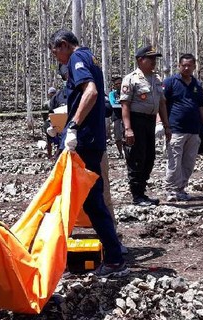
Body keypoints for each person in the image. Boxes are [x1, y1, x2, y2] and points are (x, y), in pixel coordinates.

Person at [49, 29, 126, 277]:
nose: (58, 60)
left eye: (55, 54)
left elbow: (91, 92)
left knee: (73, 199)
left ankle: (111, 256)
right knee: (90, 202)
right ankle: (111, 254)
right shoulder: (90, 57)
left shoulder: (77, 58)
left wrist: (72, 126)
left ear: (62, 45)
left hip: (83, 142)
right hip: (89, 141)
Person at [119, 45, 170, 206]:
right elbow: (125, 105)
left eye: (155, 59)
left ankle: (142, 192)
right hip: (136, 121)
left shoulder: (157, 79)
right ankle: (137, 195)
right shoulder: (131, 79)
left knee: (149, 157)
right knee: (136, 157)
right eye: (151, 59)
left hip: (150, 121)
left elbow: (162, 104)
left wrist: (167, 126)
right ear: (140, 60)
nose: (154, 62)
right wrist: (128, 129)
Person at [162, 53, 203, 202]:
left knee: (188, 162)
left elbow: (201, 106)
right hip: (175, 128)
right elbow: (161, 103)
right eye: (184, 65)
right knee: (174, 161)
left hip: (194, 130)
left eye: (190, 65)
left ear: (195, 66)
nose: (187, 68)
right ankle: (170, 190)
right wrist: (161, 124)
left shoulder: (197, 85)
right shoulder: (170, 82)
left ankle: (181, 189)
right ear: (179, 66)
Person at [45, 65, 70, 158]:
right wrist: (51, 125)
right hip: (62, 139)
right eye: (65, 77)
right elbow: (51, 114)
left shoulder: (86, 93)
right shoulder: (57, 97)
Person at [108, 75, 124, 158]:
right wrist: (124, 105)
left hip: (126, 116)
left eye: (120, 83)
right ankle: (120, 153)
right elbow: (113, 104)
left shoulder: (126, 93)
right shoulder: (112, 94)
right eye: (117, 84)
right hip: (116, 117)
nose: (119, 85)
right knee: (118, 136)